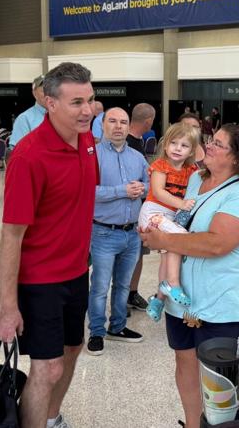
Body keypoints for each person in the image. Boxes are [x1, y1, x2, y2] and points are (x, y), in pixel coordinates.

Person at [140, 124, 239, 427]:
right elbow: (179, 217)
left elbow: (216, 244)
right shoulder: (196, 179)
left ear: (236, 157)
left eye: (218, 144)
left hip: (218, 302)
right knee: (185, 362)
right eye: (211, 140)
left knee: (225, 376)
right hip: (181, 300)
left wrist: (164, 240)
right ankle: (192, 423)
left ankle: (235, 425)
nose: (208, 145)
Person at [0, 62, 96, 428]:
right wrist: (8, 307)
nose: (87, 110)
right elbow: (11, 235)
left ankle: (50, 418)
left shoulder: (87, 141)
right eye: (76, 102)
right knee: (48, 367)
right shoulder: (29, 156)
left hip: (76, 272)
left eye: (90, 100)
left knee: (72, 349)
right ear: (50, 103)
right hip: (40, 281)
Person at [87, 107, 149, 356]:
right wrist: (122, 191)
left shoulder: (138, 157)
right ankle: (96, 332)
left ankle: (118, 327)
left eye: (123, 122)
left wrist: (142, 189)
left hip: (131, 234)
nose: (118, 126)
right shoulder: (93, 155)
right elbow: (87, 191)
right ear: (102, 125)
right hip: (103, 232)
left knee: (123, 285)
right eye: (112, 121)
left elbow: (150, 185)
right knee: (100, 287)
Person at [139, 122, 200, 321]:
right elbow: (158, 192)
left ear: (192, 150)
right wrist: (182, 204)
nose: (178, 148)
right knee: (180, 239)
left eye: (184, 145)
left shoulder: (191, 169)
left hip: (170, 218)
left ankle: (159, 299)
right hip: (154, 213)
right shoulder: (160, 165)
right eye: (174, 143)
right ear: (165, 145)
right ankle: (173, 284)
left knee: (168, 254)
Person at [126, 103, 157, 312]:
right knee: (129, 258)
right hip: (128, 215)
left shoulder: (136, 142)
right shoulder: (128, 145)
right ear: (148, 121)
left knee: (138, 255)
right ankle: (124, 295)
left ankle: (132, 293)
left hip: (139, 211)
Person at [9, 75, 47, 150]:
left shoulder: (61, 116)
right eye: (44, 90)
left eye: (52, 90)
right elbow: (19, 151)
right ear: (34, 93)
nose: (48, 94)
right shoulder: (24, 119)